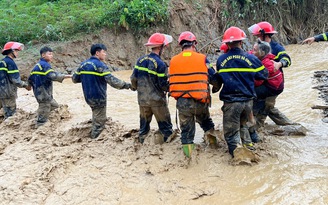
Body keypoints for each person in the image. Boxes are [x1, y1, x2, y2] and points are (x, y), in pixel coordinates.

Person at [216, 26, 268, 157]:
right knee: (244, 125)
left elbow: (218, 81)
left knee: (231, 133)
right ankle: (250, 149)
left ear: (226, 43)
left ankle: (238, 160)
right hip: (248, 102)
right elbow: (264, 74)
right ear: (241, 42)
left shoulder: (221, 60)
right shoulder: (251, 59)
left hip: (231, 103)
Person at [169, 31, 219, 158]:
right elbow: (213, 77)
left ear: (181, 45)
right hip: (200, 101)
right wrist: (216, 88)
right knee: (207, 123)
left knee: (186, 133)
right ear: (194, 44)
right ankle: (214, 147)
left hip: (182, 103)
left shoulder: (173, 60)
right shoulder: (202, 58)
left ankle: (188, 159)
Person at [72, 43, 132, 139]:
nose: (105, 54)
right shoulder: (100, 66)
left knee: (96, 115)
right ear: (97, 53)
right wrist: (128, 85)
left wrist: (87, 78)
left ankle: (93, 134)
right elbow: (113, 81)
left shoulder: (82, 65)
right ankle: (94, 139)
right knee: (99, 123)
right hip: (99, 97)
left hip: (88, 97)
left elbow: (74, 79)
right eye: (104, 52)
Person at [248, 21, 295, 126]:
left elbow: (287, 59)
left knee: (266, 106)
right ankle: (289, 125)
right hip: (264, 82)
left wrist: (279, 64)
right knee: (267, 106)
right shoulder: (259, 46)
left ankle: (258, 128)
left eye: (258, 36)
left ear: (265, 35)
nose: (257, 38)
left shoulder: (277, 48)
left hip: (273, 84)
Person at [130, 33, 175, 144]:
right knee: (166, 128)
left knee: (143, 128)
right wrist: (172, 89)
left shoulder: (140, 60)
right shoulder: (161, 64)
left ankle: (141, 145)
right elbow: (163, 84)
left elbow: (133, 79)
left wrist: (137, 89)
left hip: (142, 100)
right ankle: (166, 147)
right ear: (160, 47)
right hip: (157, 101)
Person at [249, 40, 284, 142]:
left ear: (262, 53)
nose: (252, 51)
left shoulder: (267, 64)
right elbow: (249, 53)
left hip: (273, 87)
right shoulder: (262, 57)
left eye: (255, 50)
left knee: (253, 94)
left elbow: (259, 81)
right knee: (268, 107)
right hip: (271, 83)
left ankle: (255, 119)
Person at [28, 46, 72, 127]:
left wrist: (29, 86)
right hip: (43, 93)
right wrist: (67, 76)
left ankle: (39, 115)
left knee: (55, 106)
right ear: (43, 55)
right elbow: (52, 76)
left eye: (52, 54)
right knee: (44, 106)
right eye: (49, 54)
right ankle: (40, 125)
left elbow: (30, 78)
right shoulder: (45, 65)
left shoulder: (37, 65)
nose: (51, 56)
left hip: (40, 92)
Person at [0, 42, 30, 119]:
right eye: (16, 51)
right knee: (10, 114)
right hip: (8, 93)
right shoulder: (10, 63)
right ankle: (7, 130)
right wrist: (26, 85)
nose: (17, 53)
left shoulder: (2, 62)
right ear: (11, 51)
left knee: (4, 110)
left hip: (2, 92)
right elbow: (16, 80)